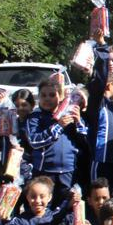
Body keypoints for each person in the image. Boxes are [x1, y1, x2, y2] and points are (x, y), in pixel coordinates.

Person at [25, 77, 87, 205]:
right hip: (45, 172)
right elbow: (34, 141)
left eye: (52, 95)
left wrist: (78, 122)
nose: (47, 98)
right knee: (43, 207)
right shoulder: (35, 117)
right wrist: (58, 126)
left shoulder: (69, 114)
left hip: (68, 172)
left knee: (66, 207)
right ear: (39, 98)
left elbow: (85, 142)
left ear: (60, 97)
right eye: (43, 95)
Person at [84, 40, 113, 193]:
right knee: (101, 204)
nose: (111, 64)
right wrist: (101, 46)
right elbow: (99, 80)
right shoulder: (96, 97)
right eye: (107, 60)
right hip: (102, 160)